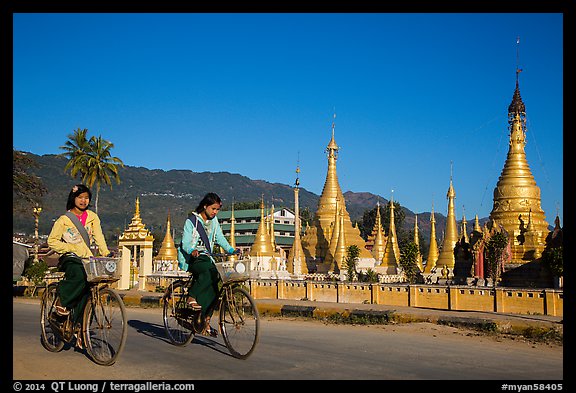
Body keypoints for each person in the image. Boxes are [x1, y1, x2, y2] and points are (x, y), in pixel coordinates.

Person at [47, 184, 111, 324]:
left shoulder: (93, 217)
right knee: (80, 275)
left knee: (88, 291)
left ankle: (79, 328)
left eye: (87, 198)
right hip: (70, 257)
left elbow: (98, 236)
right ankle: (62, 301)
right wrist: (70, 247)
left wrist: (106, 252)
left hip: (87, 258)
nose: (83, 201)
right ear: (73, 198)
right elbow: (52, 241)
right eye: (80, 197)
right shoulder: (64, 219)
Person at [177, 192, 239, 336]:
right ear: (205, 206)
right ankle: (191, 296)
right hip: (192, 258)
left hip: (207, 257)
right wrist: (192, 251)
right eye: (213, 209)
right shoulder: (192, 221)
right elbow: (185, 243)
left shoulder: (214, 221)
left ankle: (205, 319)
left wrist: (230, 249)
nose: (215, 212)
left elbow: (219, 237)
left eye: (217, 210)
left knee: (216, 283)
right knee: (206, 271)